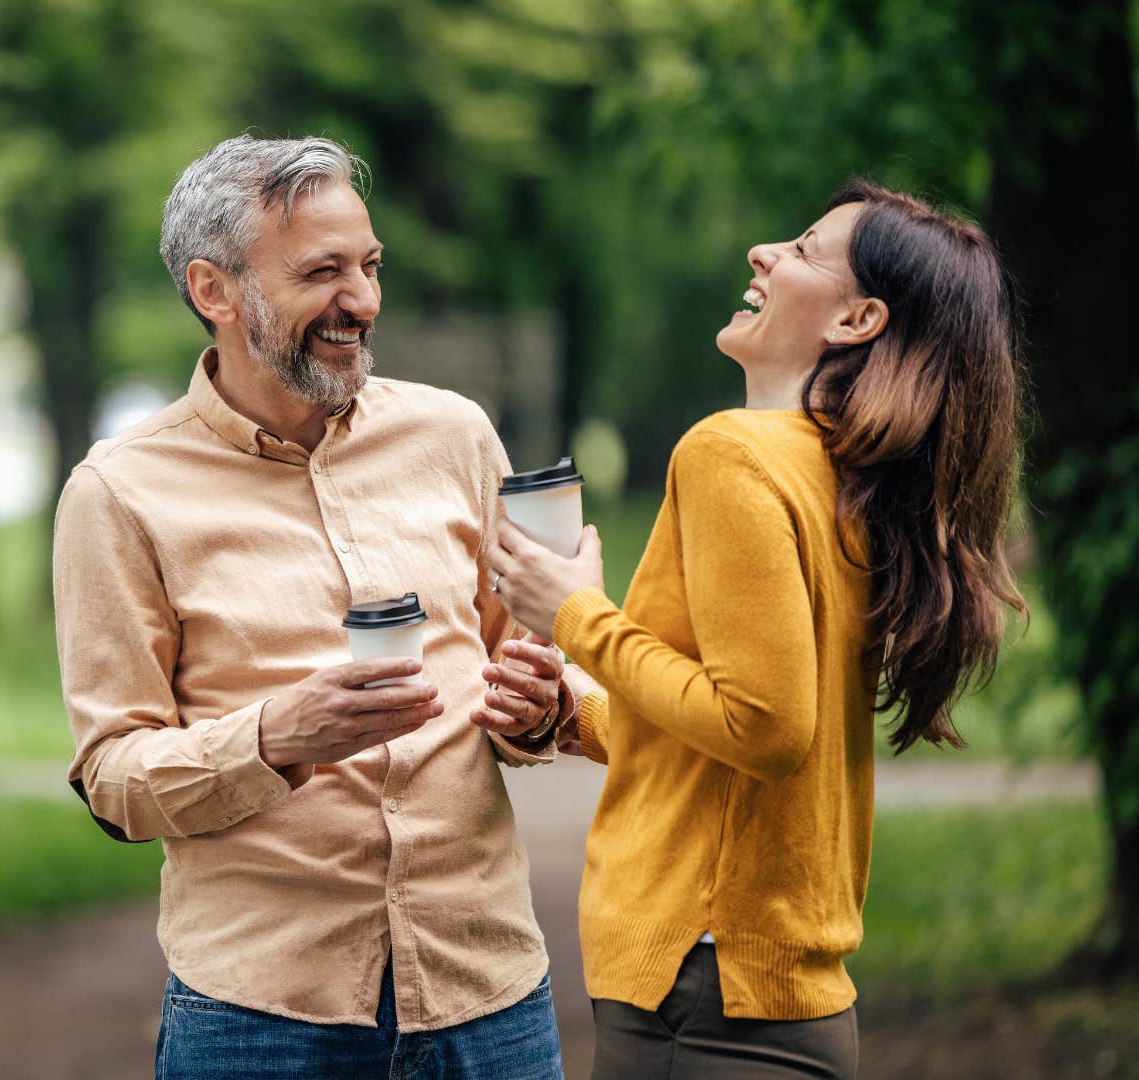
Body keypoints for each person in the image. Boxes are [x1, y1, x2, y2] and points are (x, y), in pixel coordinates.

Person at [53, 134, 577, 1079]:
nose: (363, 302)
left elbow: (525, 672)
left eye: (370, 266)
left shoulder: (454, 436)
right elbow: (113, 778)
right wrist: (272, 737)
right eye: (323, 272)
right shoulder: (121, 493)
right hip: (262, 1018)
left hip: (487, 994)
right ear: (214, 291)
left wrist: (541, 707)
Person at [487, 180, 1026, 1078]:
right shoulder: (843, 476)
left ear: (857, 320)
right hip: (774, 996)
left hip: (698, 994)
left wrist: (576, 614)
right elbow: (743, 735)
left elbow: (767, 726)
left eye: (805, 250)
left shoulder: (730, 454)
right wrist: (575, 719)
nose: (762, 253)